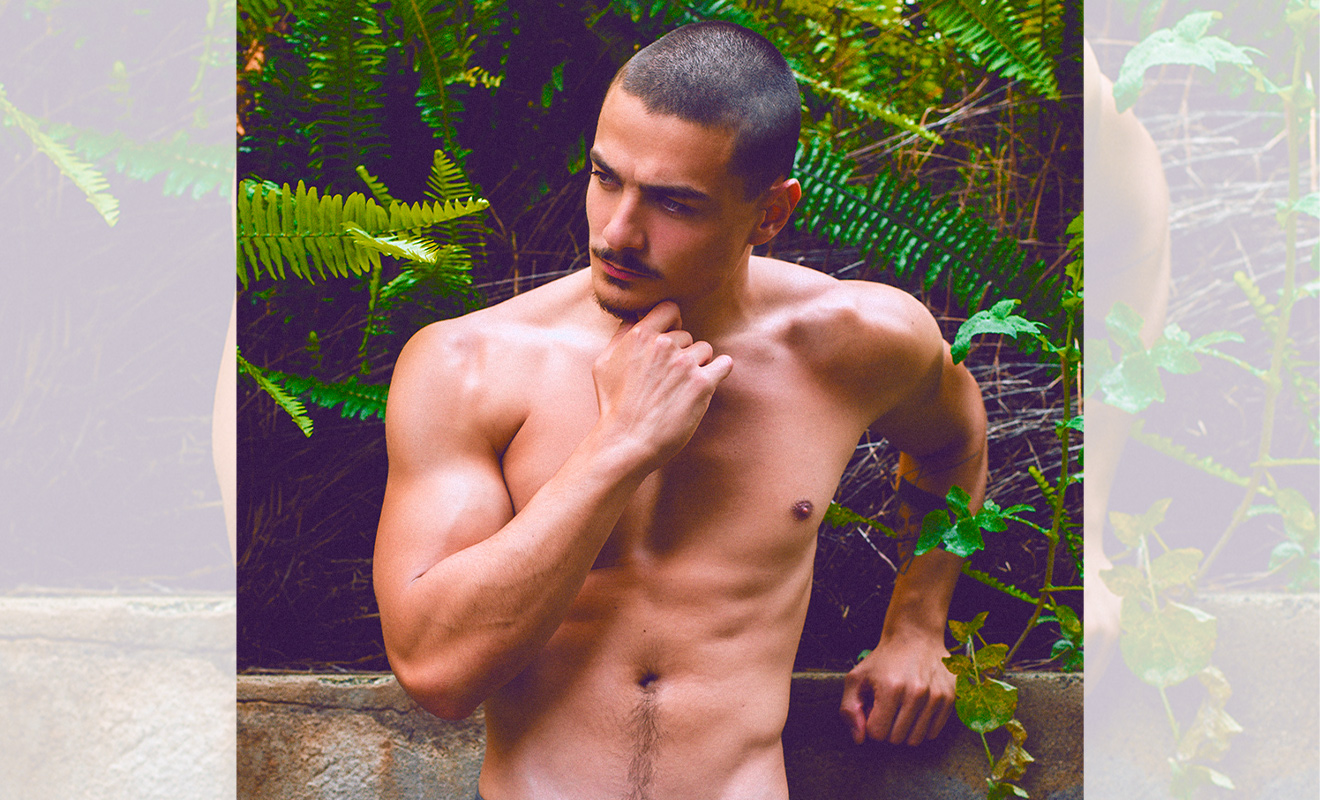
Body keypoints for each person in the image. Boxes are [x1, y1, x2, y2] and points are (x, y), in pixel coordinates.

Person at [373, 21, 987, 800]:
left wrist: (917, 628)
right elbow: (436, 670)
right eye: (606, 178)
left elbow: (955, 443)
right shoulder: (469, 365)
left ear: (770, 214)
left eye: (674, 203)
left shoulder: (855, 344)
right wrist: (619, 446)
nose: (618, 232)